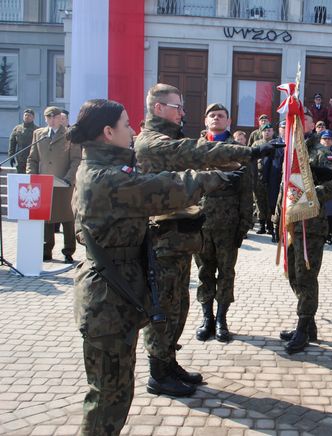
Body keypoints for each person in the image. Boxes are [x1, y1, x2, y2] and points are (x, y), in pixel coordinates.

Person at [71, 98, 237, 436]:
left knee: (114, 393)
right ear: (107, 132)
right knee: (107, 397)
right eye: (126, 124)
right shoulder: (108, 178)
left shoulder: (106, 168)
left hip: (113, 298)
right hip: (106, 302)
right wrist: (213, 178)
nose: (133, 130)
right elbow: (166, 189)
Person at [135, 83, 277, 397]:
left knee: (178, 304)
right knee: (162, 307)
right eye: (177, 107)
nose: (183, 113)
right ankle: (158, 373)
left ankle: (169, 361)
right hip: (162, 240)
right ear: (159, 108)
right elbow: (199, 153)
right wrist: (249, 151)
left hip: (179, 238)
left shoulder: (168, 138)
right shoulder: (152, 142)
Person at [276, 110, 332, 354]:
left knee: (306, 277)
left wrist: (307, 197)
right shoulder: (289, 151)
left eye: (303, 120)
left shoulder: (321, 152)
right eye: (293, 121)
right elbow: (284, 186)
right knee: (293, 275)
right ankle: (308, 324)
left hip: (311, 226)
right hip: (291, 225)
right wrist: (278, 216)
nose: (297, 125)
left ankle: (303, 328)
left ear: (312, 125)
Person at [194, 103, 254, 343]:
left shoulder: (238, 150)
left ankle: (221, 319)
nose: (216, 118)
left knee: (226, 273)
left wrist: (244, 223)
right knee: (203, 272)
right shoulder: (194, 149)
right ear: (205, 120)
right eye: (212, 115)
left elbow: (247, 190)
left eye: (221, 116)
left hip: (228, 223)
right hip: (199, 222)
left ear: (228, 122)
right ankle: (206, 317)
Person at [27, 106, 80, 263]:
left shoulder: (70, 135)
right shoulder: (39, 134)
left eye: (54, 117)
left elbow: (76, 159)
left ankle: (68, 250)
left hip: (64, 183)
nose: (51, 120)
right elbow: (33, 158)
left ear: (60, 117)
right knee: (45, 217)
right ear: (45, 119)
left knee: (67, 218)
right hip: (43, 184)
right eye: (48, 117)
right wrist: (32, 177)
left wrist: (68, 179)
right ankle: (46, 250)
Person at [251, 123, 275, 237]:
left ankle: (270, 226)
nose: (267, 132)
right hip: (259, 177)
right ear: (261, 132)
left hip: (271, 177)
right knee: (259, 201)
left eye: (269, 130)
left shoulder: (276, 143)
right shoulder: (256, 144)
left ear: (273, 132)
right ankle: (261, 225)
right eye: (265, 131)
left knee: (270, 201)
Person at [8, 108, 38, 174]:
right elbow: (12, 142)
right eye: (25, 115)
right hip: (20, 158)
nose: (27, 117)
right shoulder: (17, 129)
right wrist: (11, 156)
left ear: (33, 118)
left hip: (32, 158)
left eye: (29, 115)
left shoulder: (37, 130)